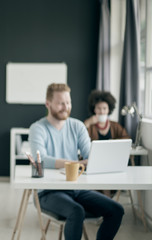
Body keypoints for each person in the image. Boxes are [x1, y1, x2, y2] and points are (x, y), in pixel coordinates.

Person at [29, 83, 124, 240]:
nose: (65, 107)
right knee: (77, 211)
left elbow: (90, 156)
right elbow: (42, 159)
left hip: (77, 188)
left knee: (116, 210)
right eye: (61, 103)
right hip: (47, 192)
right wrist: (74, 163)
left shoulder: (78, 126)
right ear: (48, 104)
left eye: (68, 102)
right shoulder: (38, 128)